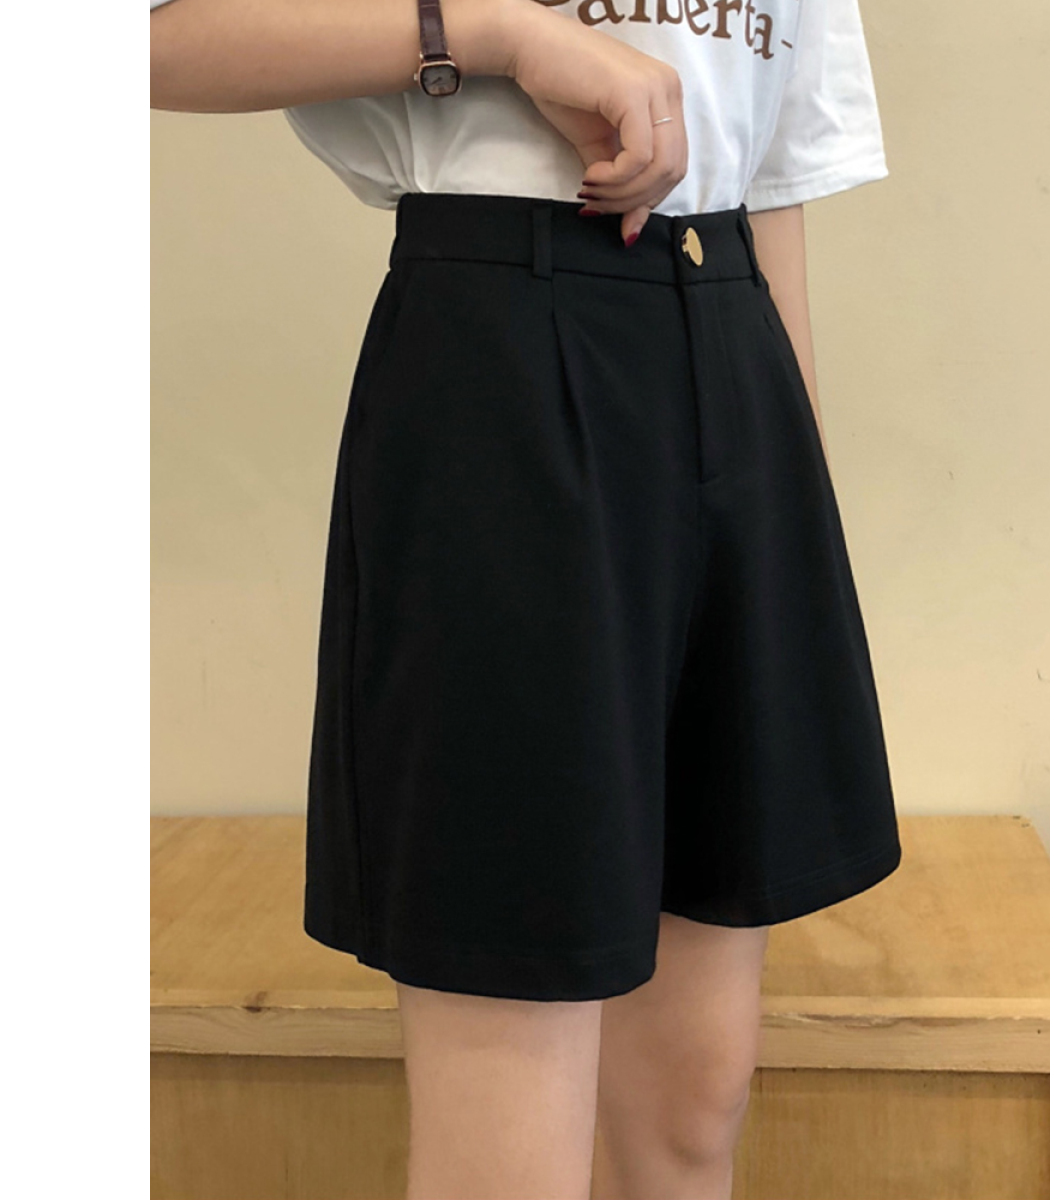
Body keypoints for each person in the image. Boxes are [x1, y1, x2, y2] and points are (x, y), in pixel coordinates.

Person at [150, 1, 903, 1197]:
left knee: (697, 1096)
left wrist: (793, 493)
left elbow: (772, 183)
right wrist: (498, 33)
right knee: (512, 1119)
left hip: (734, 338)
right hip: (503, 347)